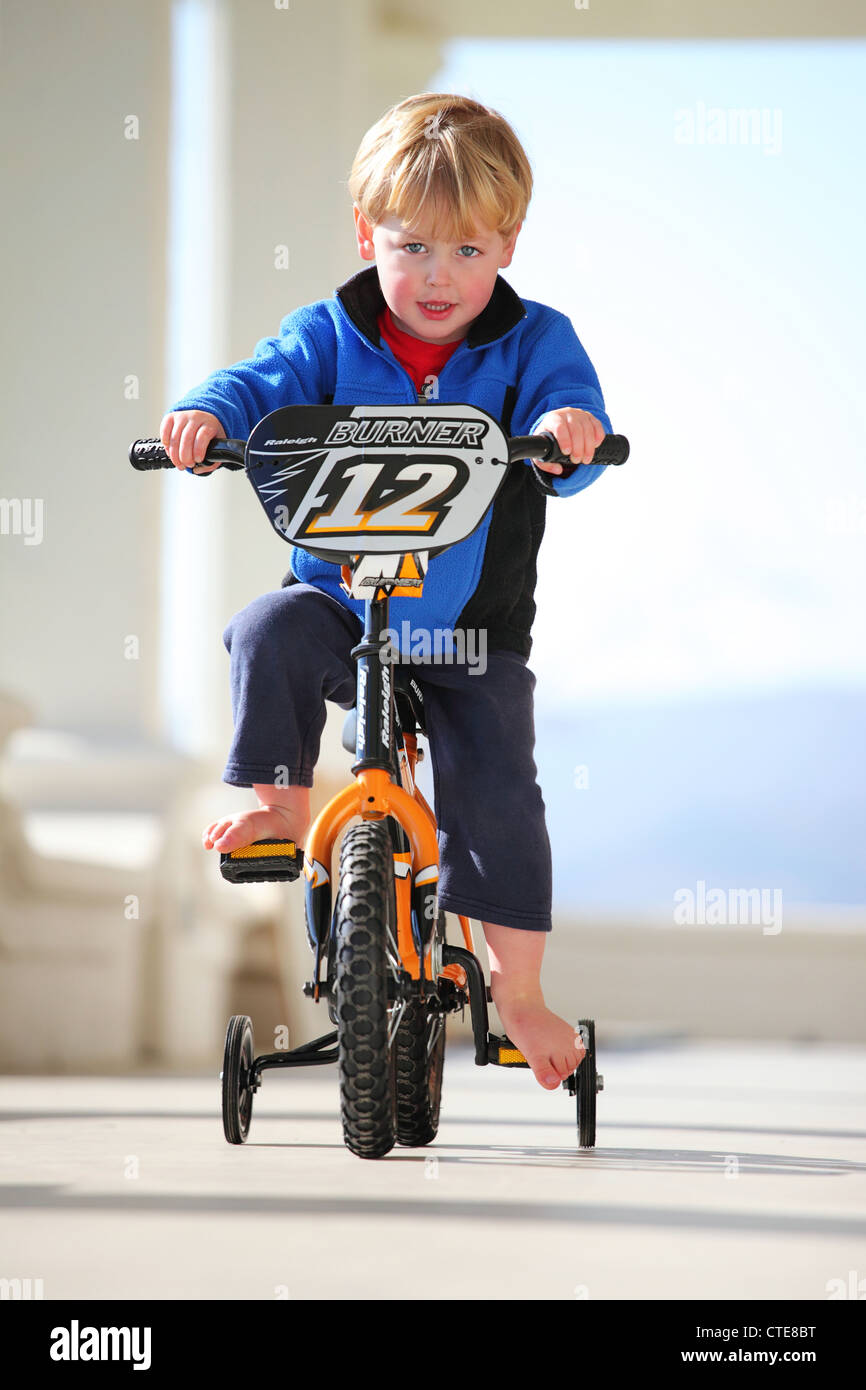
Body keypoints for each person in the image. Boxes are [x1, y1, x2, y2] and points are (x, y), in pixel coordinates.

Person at [160, 93, 613, 1092]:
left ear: (506, 245)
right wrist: (205, 414)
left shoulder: (532, 342)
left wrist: (570, 430)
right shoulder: (325, 333)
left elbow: (570, 434)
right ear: (365, 235)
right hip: (343, 603)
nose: (436, 276)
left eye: (465, 251)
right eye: (411, 248)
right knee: (265, 627)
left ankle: (521, 987)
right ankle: (279, 806)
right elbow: (255, 382)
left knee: (494, 780)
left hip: (468, 630)